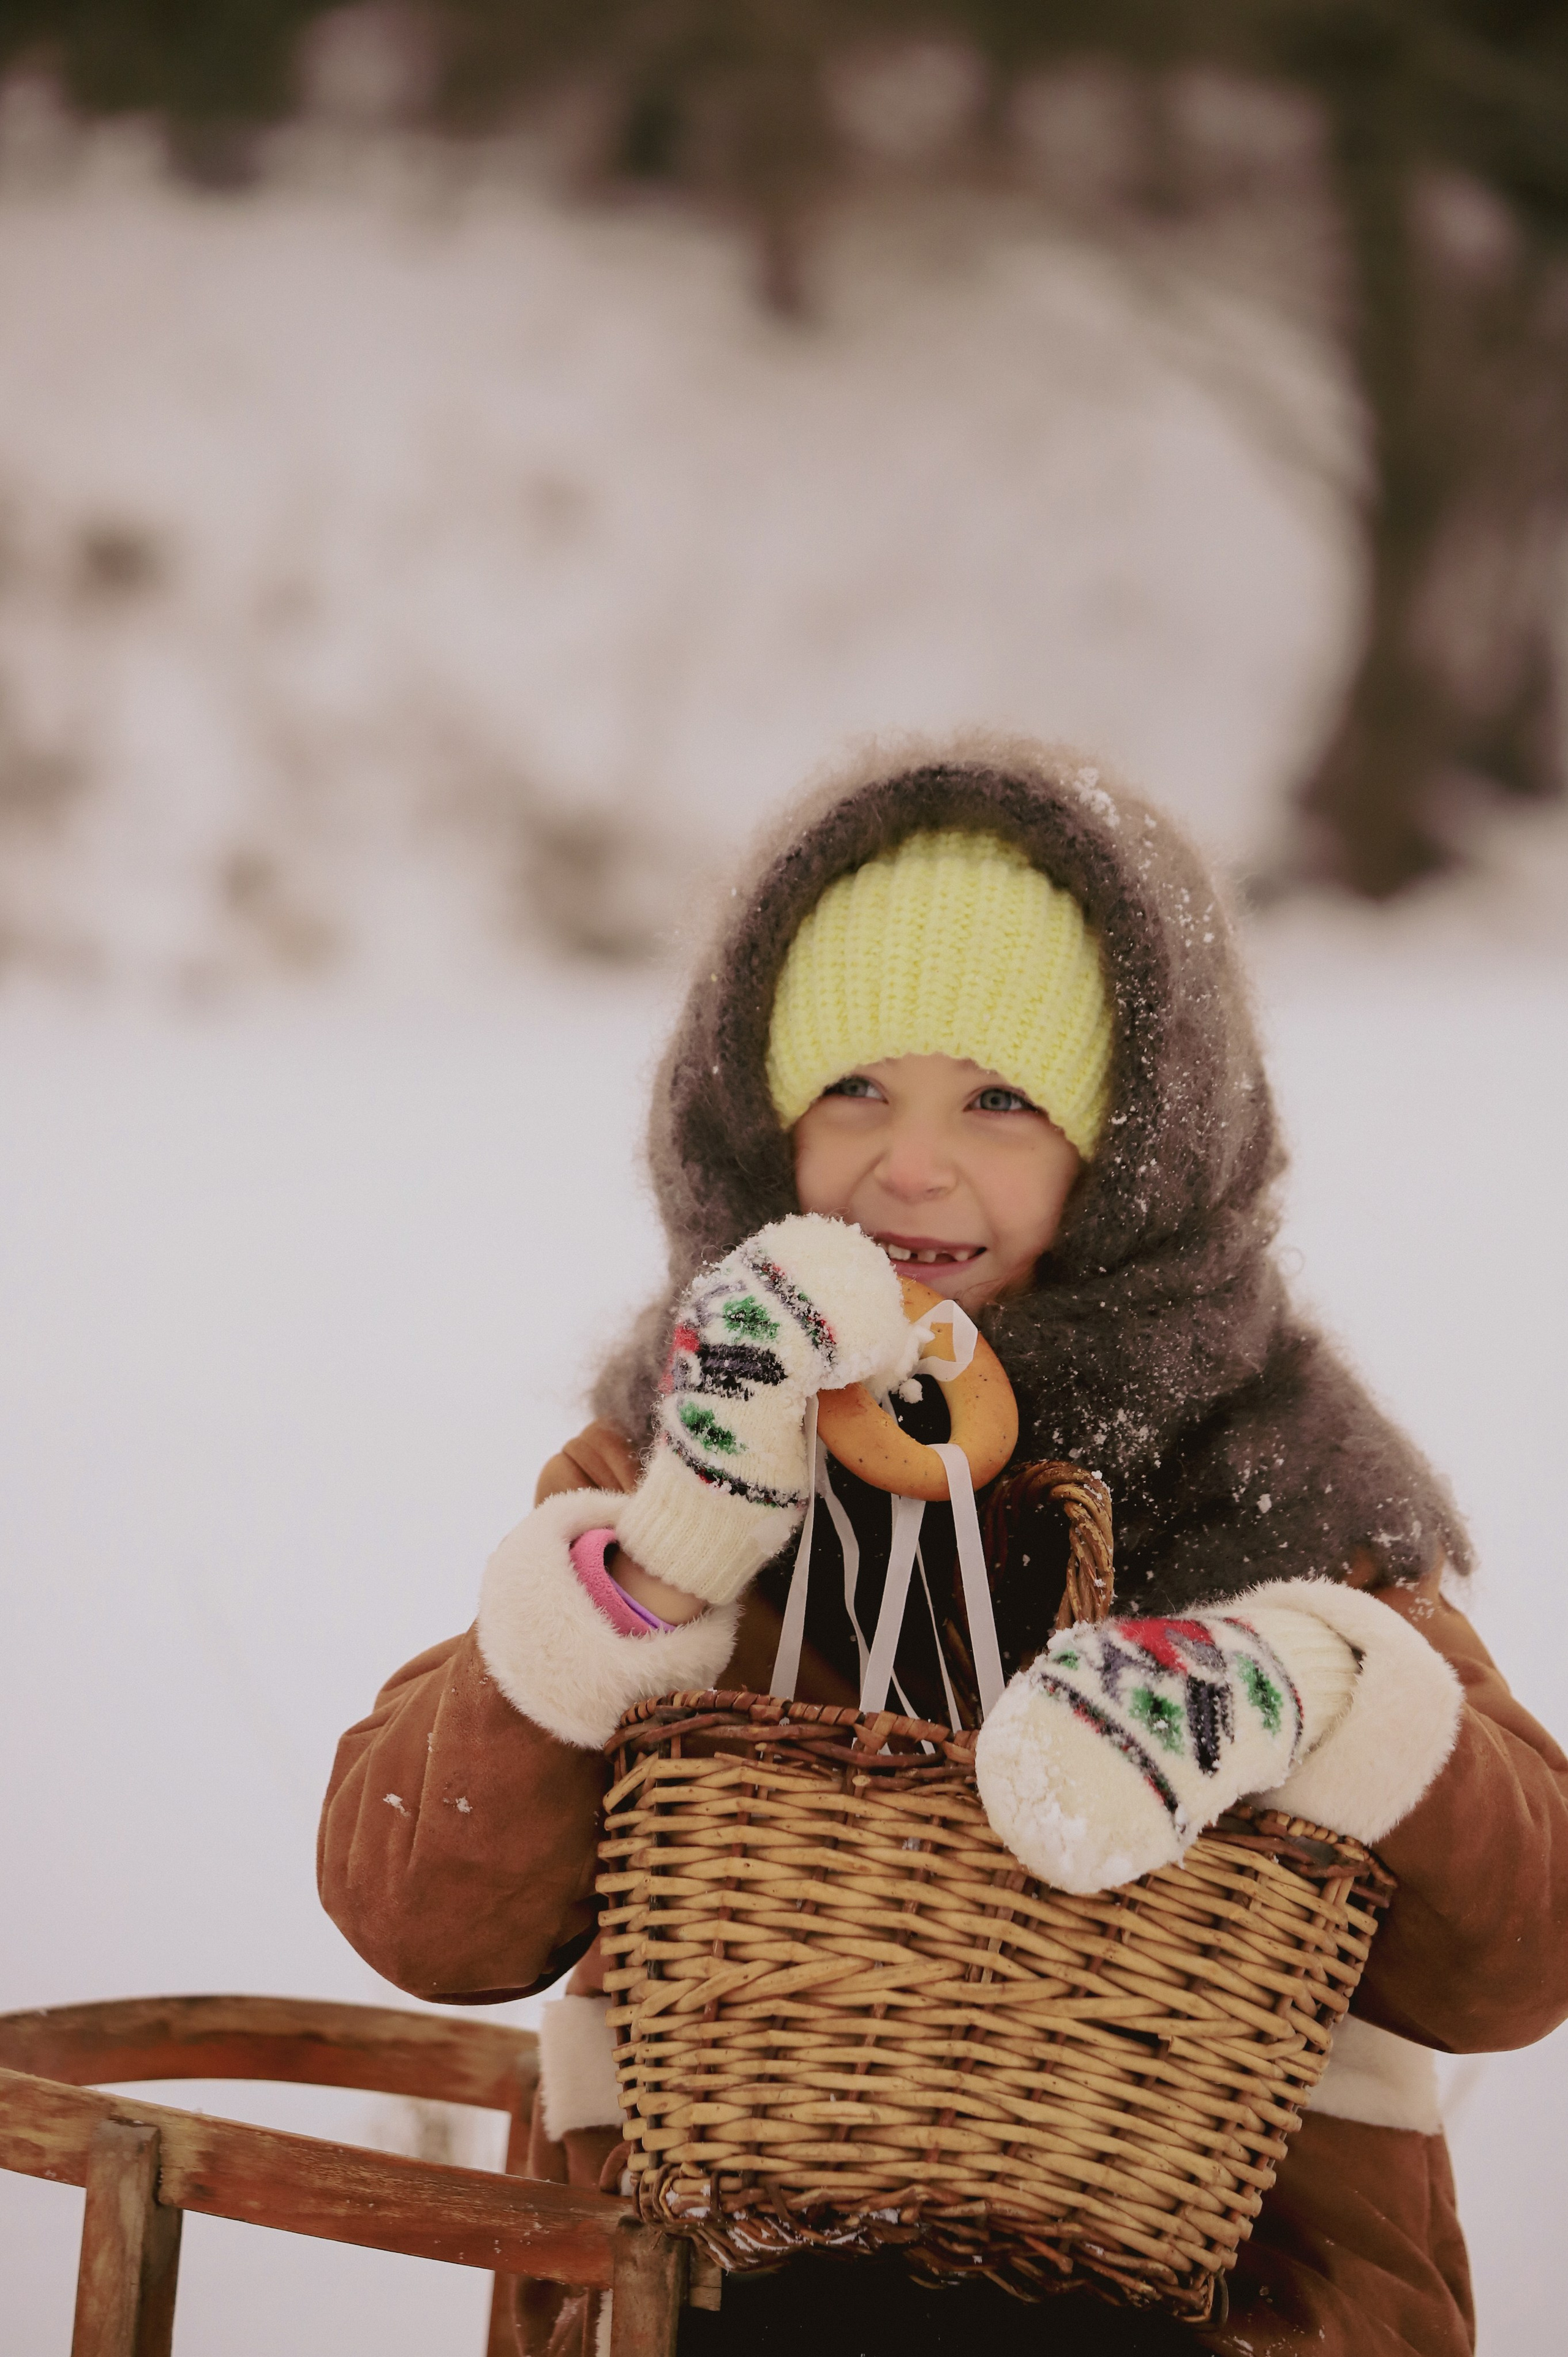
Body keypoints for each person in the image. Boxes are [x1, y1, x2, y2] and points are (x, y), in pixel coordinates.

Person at [318, 736, 1568, 2357]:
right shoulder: (680, 1440)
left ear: (1130, 1144)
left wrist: (1317, 1687)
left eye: (1000, 1100)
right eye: (854, 1088)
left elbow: (1522, 1959)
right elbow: (418, 1907)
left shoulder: (1276, 1485)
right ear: (762, 1125)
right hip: (717, 2293)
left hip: (1236, 2302)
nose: (914, 1165)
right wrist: (666, 1561)